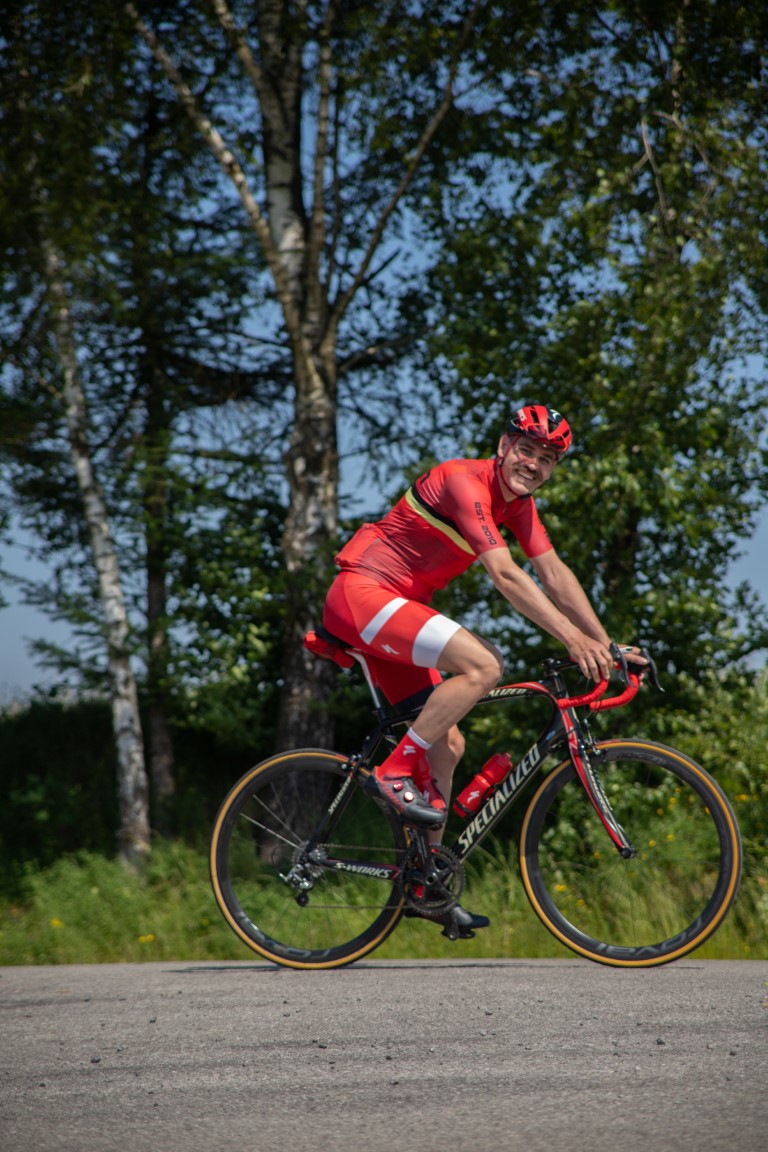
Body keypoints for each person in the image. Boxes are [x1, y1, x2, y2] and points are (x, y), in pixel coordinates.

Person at [322, 403, 643, 936]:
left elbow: (553, 573)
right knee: (484, 663)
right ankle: (392, 771)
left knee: (447, 745)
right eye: (526, 450)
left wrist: (606, 645)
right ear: (503, 446)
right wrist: (572, 639)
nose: (533, 464)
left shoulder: (519, 506)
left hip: (394, 611)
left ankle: (426, 885)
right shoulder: (463, 481)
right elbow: (506, 574)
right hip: (363, 594)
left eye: (547, 459)